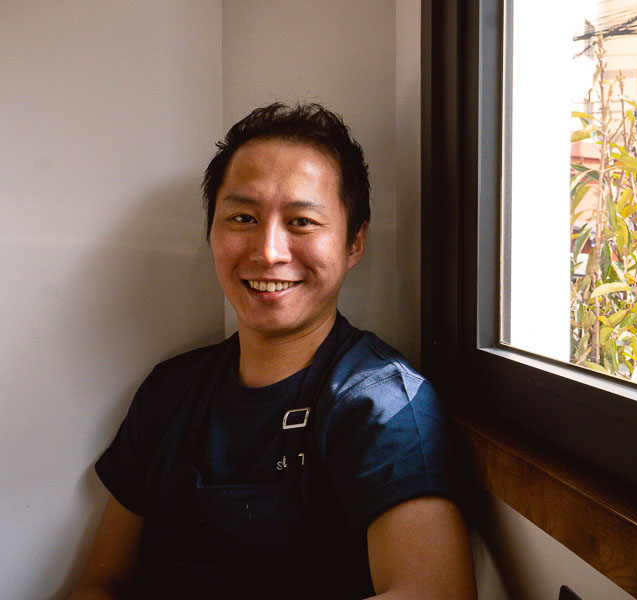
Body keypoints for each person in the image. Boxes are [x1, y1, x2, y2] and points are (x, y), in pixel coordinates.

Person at [69, 103, 476, 599]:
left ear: (354, 242)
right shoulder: (168, 391)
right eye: (242, 217)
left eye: (302, 221)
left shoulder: (384, 408)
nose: (268, 251)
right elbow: (101, 583)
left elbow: (435, 593)